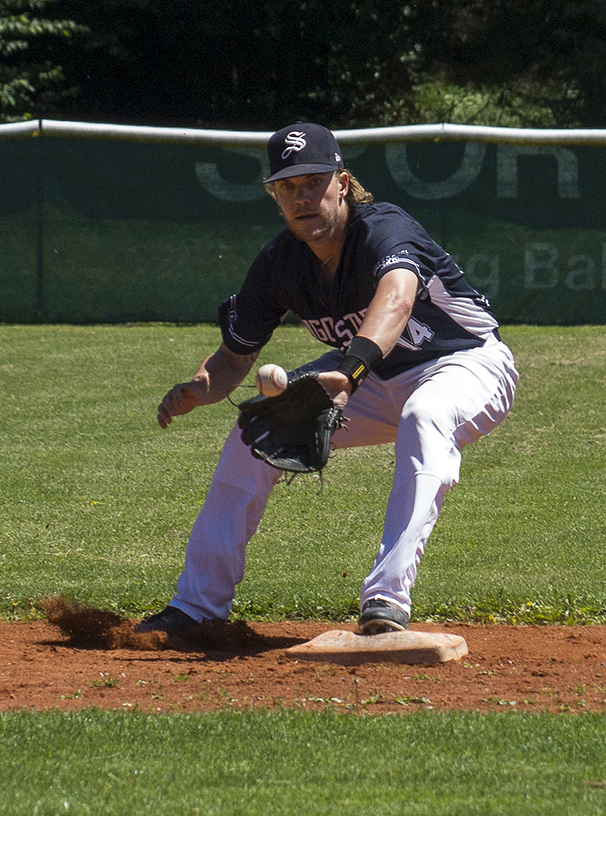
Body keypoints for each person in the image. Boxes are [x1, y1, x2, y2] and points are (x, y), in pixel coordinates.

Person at [136, 122, 519, 636]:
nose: (302, 197)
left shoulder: (384, 230)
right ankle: (197, 606)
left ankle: (386, 602)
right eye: (288, 187)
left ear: (342, 182)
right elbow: (234, 357)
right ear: (275, 197)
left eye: (314, 181)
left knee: (425, 414)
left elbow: (398, 299)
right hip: (373, 379)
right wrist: (199, 388)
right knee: (256, 431)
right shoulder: (279, 264)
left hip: (468, 365)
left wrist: (349, 370)